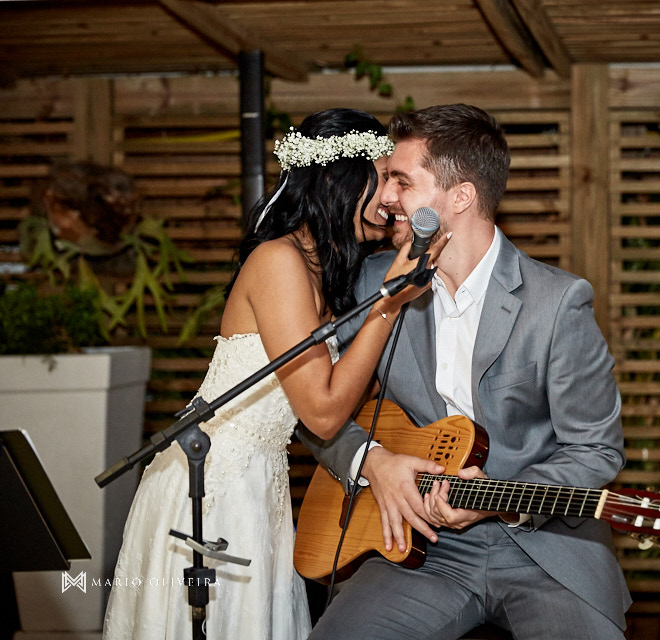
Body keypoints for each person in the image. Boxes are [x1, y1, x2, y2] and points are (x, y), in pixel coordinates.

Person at [102, 108, 447, 639]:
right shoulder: (277, 260)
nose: (392, 198)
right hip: (211, 486)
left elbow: (355, 387)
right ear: (338, 177)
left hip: (260, 484)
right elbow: (325, 412)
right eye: (382, 178)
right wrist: (390, 305)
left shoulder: (323, 268)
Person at [307, 104, 632, 639]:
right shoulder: (370, 285)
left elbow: (596, 450)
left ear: (459, 198)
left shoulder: (557, 303)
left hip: (544, 547)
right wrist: (375, 462)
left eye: (401, 181)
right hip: (415, 545)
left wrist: (501, 499)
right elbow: (314, 410)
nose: (384, 197)